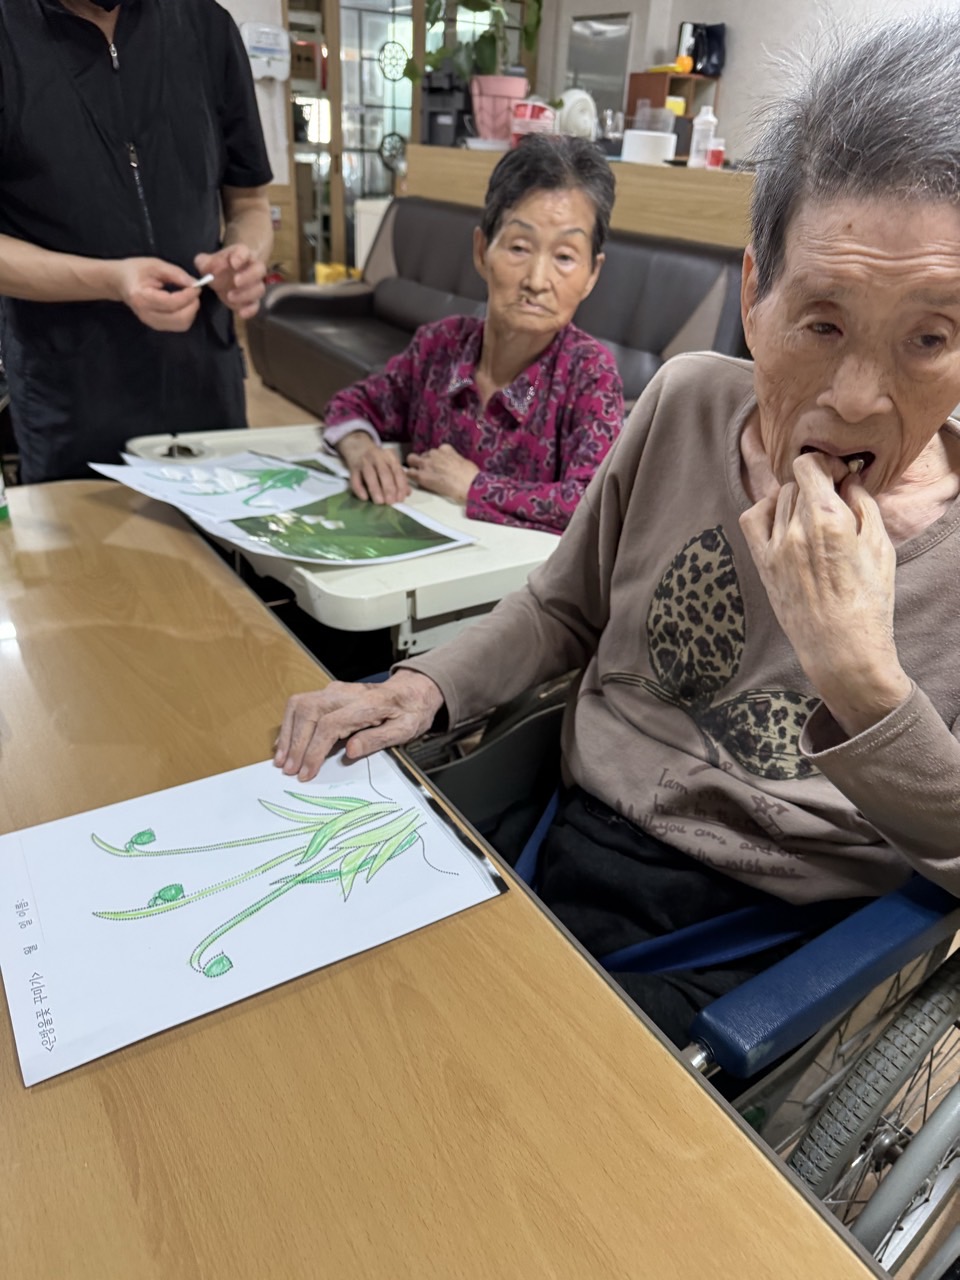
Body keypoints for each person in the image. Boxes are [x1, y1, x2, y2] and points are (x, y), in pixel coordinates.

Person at [276, 16, 960, 1046]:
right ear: (754, 296)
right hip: (559, 835)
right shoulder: (684, 403)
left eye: (930, 337)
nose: (859, 398)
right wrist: (424, 686)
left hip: (754, 949)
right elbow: (562, 607)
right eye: (822, 322)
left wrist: (864, 683)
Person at [0, 0, 273, 483]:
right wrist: (112, 280)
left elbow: (249, 202)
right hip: (69, 394)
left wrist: (244, 256)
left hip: (204, 379)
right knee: (84, 534)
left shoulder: (206, 27)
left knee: (216, 527)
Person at [322, 135, 624, 535]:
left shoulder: (590, 375)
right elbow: (351, 403)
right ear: (482, 250)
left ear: (592, 274)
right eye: (519, 247)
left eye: (565, 257)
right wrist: (361, 449)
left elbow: (593, 504)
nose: (537, 281)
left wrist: (474, 486)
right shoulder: (439, 347)